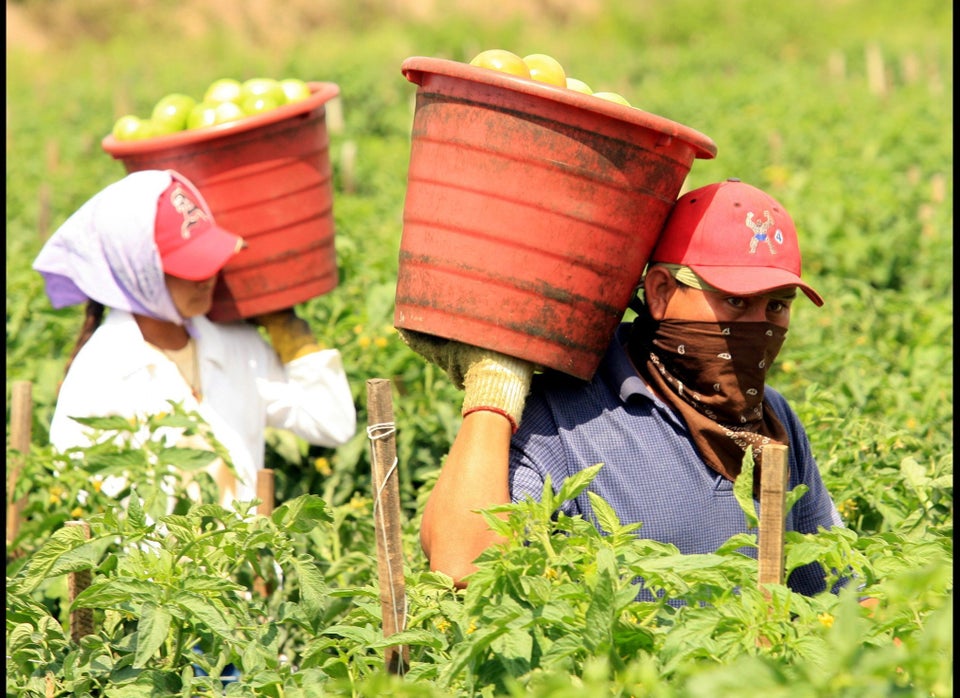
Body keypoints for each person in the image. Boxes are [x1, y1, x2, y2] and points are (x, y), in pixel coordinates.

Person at [405, 178, 845, 601]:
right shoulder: (563, 421)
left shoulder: (772, 420)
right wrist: (494, 387)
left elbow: (834, 589)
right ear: (659, 292)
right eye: (734, 301)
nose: (758, 325)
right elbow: (463, 566)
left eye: (777, 305)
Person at [33, 169, 357, 508]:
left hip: (245, 560)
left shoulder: (238, 348)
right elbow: (81, 499)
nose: (207, 277)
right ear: (139, 271)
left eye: (209, 260)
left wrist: (290, 333)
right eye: (188, 267)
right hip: (153, 563)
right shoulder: (100, 373)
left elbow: (332, 423)